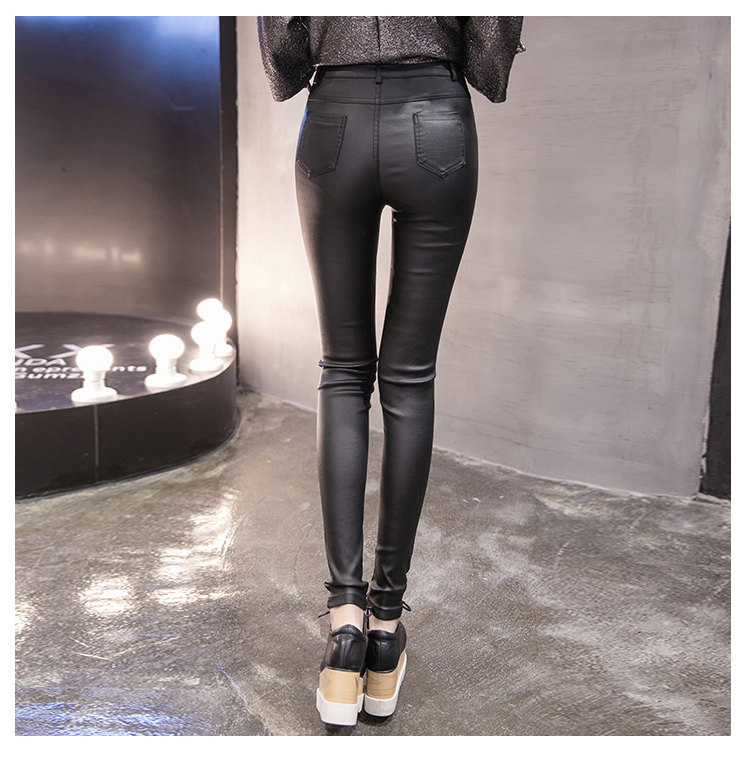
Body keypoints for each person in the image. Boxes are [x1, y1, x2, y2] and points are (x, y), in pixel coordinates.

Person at [257, 16, 524, 726]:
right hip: (436, 120)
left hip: (334, 123)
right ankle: (384, 625)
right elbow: (491, 51)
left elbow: (282, 53)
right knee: (408, 377)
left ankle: (344, 625)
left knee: (343, 370)